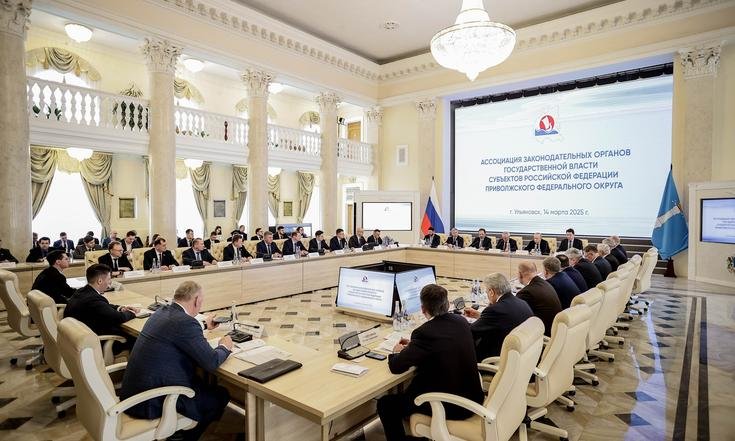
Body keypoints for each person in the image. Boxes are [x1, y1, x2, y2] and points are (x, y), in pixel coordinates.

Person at [119, 281, 232, 441]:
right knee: (220, 395)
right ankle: (183, 437)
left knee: (201, 383)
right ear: (197, 300)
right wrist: (225, 347)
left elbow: (175, 330)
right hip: (152, 401)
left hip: (134, 392)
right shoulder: (186, 323)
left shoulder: (161, 312)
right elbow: (211, 362)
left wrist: (204, 325)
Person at [377, 284, 484, 441]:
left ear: (423, 309)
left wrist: (396, 352)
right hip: (473, 397)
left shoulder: (424, 333)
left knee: (386, 404)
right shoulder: (460, 321)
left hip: (450, 406)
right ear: (447, 304)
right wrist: (415, 347)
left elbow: (396, 367)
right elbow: (445, 345)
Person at [63, 264, 139, 351]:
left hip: (77, 339)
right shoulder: (94, 299)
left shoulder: (82, 291)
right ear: (99, 281)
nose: (110, 282)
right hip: (97, 342)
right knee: (138, 339)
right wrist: (132, 313)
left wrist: (120, 308)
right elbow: (119, 318)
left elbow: (103, 306)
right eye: (109, 279)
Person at [463, 273, 533, 361]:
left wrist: (460, 321)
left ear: (491, 292)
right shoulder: (522, 303)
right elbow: (504, 320)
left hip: (498, 358)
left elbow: (471, 332)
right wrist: (479, 315)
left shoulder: (495, 310)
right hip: (521, 355)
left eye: (487, 292)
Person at [516, 261, 561, 336]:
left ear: (520, 274)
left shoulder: (526, 292)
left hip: (544, 334)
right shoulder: (545, 283)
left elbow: (516, 316)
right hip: (555, 330)